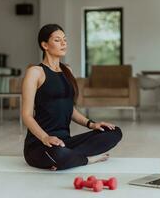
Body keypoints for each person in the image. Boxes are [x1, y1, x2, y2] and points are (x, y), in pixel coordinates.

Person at [22, 24, 122, 171]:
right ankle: (84, 159)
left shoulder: (66, 70)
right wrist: (45, 138)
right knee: (59, 154)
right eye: (57, 40)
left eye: (65, 39)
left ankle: (68, 158)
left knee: (114, 132)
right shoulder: (35, 72)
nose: (63, 43)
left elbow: (70, 109)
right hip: (40, 144)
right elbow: (26, 115)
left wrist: (92, 124)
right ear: (45, 45)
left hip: (64, 142)